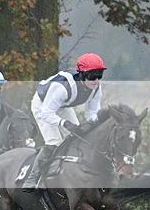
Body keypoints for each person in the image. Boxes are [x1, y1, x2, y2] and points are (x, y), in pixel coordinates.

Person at [21, 52, 106, 192]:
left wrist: (94, 127)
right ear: (82, 75)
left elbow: (92, 114)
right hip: (42, 106)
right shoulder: (62, 87)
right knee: (54, 141)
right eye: (92, 76)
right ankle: (32, 178)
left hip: (63, 106)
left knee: (77, 138)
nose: (96, 80)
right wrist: (65, 123)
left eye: (99, 75)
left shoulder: (96, 88)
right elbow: (47, 113)